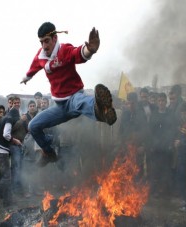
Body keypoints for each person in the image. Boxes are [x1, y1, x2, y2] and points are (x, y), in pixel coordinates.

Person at [20, 22, 117, 167]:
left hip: (73, 97)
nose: (44, 46)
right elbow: (34, 67)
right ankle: (49, 153)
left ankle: (103, 111)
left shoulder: (64, 50)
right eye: (41, 42)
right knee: (33, 125)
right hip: (59, 107)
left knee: (81, 102)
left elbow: (77, 53)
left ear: (54, 38)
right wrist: (26, 77)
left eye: (46, 41)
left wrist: (89, 50)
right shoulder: (40, 56)